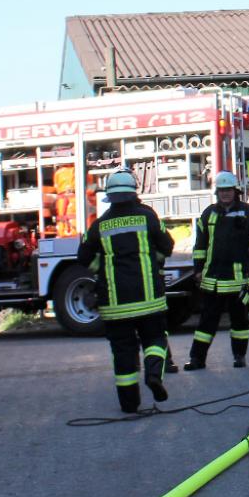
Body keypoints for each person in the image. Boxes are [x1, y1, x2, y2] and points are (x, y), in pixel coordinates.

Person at [76, 169, 174, 413]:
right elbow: (168, 246)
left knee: (122, 350)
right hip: (149, 298)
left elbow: (83, 256)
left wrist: (102, 270)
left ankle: (129, 404)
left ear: (110, 197)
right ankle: (153, 374)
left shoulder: (98, 225)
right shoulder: (148, 217)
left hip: (114, 303)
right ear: (133, 194)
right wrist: (154, 261)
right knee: (155, 339)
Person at [185, 172, 249, 370]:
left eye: (228, 190)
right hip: (213, 277)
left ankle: (239, 356)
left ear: (235, 191)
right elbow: (200, 245)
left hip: (241, 279)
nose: (225, 194)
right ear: (217, 192)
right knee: (206, 322)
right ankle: (197, 359)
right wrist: (198, 269)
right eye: (221, 190)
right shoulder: (208, 215)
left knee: (239, 321)